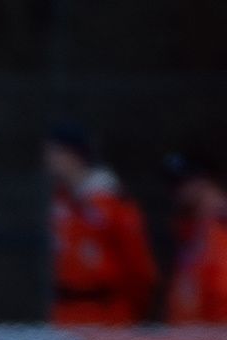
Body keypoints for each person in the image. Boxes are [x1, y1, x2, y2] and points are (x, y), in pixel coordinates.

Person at [45, 124, 158, 326]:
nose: (48, 159)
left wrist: (131, 314)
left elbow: (139, 269)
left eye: (55, 151)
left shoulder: (112, 202)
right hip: (67, 316)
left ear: (74, 155)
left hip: (106, 315)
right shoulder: (61, 203)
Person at [164, 152, 227, 325]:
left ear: (205, 180)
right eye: (174, 184)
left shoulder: (220, 228)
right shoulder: (189, 232)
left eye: (185, 182)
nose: (179, 191)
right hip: (189, 339)